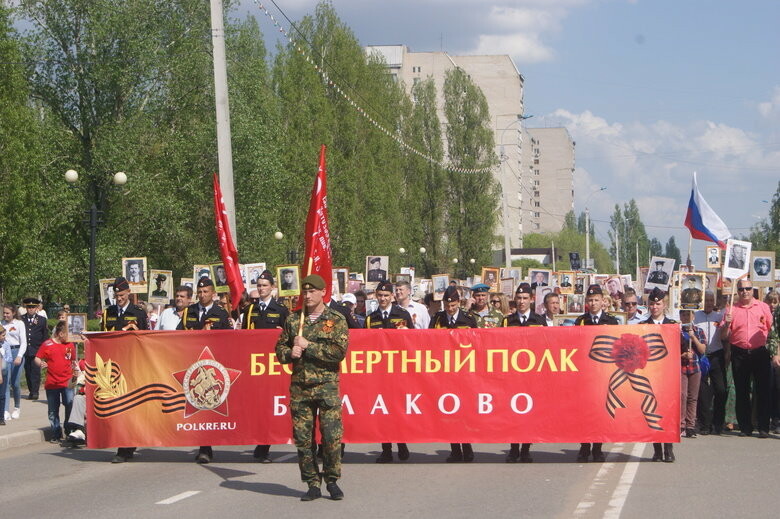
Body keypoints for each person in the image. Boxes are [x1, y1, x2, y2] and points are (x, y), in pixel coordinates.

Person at [276, 275, 348, 501]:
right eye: (304, 292)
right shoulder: (293, 320)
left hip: (326, 388)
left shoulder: (336, 319)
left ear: (322, 293)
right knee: (303, 440)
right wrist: (290, 353)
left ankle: (332, 480)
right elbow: (279, 350)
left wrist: (309, 346)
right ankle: (312, 483)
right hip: (300, 389)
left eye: (311, 292)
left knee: (331, 437)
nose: (307, 296)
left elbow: (338, 352)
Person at [179, 277, 231, 463]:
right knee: (198, 407)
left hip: (214, 368)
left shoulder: (221, 314)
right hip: (192, 366)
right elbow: (176, 337)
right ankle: (203, 446)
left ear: (213, 293)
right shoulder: (188, 312)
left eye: (206, 292)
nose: (202, 295)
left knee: (208, 407)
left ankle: (206, 447)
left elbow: (230, 342)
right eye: (199, 292)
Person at [242, 270, 289, 463]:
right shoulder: (250, 310)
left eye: (264, 286)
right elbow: (243, 335)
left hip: (273, 365)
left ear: (272, 288)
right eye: (259, 285)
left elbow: (289, 336)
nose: (261, 289)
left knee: (269, 406)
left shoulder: (281, 310)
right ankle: (259, 441)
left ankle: (265, 445)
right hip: (254, 365)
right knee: (257, 405)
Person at [101, 277, 148, 462]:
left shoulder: (138, 313)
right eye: (116, 295)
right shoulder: (109, 312)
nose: (119, 298)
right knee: (117, 408)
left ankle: (125, 448)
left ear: (128, 293)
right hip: (113, 367)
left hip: (133, 366)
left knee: (129, 408)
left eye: (121, 295)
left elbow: (147, 339)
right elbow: (102, 338)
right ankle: (124, 445)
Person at [366, 281, 413, 463]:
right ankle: (386, 449)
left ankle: (402, 444)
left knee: (398, 409)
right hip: (379, 372)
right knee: (382, 411)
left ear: (392, 296)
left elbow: (412, 341)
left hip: (398, 371)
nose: (383, 299)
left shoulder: (402, 314)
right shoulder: (371, 318)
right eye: (380, 296)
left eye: (386, 296)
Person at [720, 278, 773, 437]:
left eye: (748, 288)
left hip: (760, 352)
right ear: (738, 291)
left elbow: (772, 330)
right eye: (742, 289)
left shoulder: (763, 307)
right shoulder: (731, 310)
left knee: (763, 390)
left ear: (753, 290)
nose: (745, 292)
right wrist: (726, 324)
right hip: (740, 353)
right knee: (741, 391)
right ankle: (745, 427)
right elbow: (724, 336)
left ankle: (763, 427)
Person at [430, 286, 477, 462]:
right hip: (444, 372)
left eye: (454, 305)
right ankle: (455, 449)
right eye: (447, 305)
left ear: (459, 303)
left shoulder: (468, 319)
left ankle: (467, 446)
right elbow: (429, 341)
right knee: (449, 413)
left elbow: (478, 343)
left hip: (464, 373)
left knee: (464, 412)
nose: (450, 309)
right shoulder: (437, 319)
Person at [502, 283, 546, 463]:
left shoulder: (539, 321)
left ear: (532, 300)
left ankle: (526, 448)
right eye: (519, 298)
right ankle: (513, 449)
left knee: (529, 413)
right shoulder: (507, 321)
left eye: (525, 298)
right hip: (512, 375)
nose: (521, 302)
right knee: (512, 413)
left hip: (532, 375)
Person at [575, 284, 619, 462]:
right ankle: (584, 447)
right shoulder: (580, 321)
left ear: (603, 301)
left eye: (596, 300)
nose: (593, 303)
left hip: (604, 373)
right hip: (585, 374)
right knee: (585, 412)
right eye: (590, 300)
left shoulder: (612, 321)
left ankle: (598, 447)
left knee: (601, 412)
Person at [642, 287, 677, 462]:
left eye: (658, 303)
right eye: (652, 304)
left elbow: (680, 349)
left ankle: (668, 449)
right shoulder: (643, 326)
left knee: (668, 411)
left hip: (668, 375)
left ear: (664, 305)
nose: (655, 307)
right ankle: (656, 449)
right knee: (652, 411)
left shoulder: (672, 325)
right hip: (650, 375)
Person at [34, 321, 77, 443]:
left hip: (67, 382)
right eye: (67, 334)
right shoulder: (47, 344)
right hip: (52, 383)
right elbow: (37, 357)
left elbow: (73, 361)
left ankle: (69, 431)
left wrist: (75, 373)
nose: (69, 336)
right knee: (53, 409)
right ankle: (56, 433)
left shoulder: (70, 345)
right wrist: (41, 363)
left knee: (69, 404)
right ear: (60, 333)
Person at [694, 291, 727, 435]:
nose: (708, 303)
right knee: (703, 392)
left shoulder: (718, 316)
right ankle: (705, 424)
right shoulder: (695, 316)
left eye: (710, 300)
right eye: (706, 300)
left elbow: (726, 337)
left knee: (720, 390)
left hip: (716, 355)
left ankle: (718, 422)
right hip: (701, 356)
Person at [679, 310, 706, 438]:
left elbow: (702, 350)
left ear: (693, 316)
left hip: (695, 367)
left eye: (688, 315)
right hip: (682, 367)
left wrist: (693, 337)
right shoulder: (677, 331)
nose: (686, 317)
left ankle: (690, 425)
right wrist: (683, 354)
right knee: (682, 395)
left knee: (693, 397)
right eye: (683, 315)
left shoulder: (699, 331)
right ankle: (681, 424)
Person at [2, 304, 27, 421]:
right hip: (5, 353)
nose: (5, 315)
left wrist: (19, 356)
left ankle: (17, 407)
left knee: (15, 383)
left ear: (13, 313)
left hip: (16, 352)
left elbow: (24, 342)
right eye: (4, 313)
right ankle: (5, 409)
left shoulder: (19, 324)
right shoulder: (2, 324)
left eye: (7, 313)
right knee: (5, 382)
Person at [21, 297, 48, 401]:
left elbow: (44, 336)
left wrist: (44, 352)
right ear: (26, 308)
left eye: (33, 307)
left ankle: (35, 392)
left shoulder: (41, 320)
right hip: (26, 350)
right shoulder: (21, 319)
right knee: (27, 371)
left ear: (37, 308)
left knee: (35, 371)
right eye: (29, 307)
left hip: (37, 350)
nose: (31, 309)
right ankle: (31, 391)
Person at [0, 324, 9, 425]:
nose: (4, 337)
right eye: (2, 335)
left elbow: (7, 358)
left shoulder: (5, 344)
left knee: (2, 396)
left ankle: (1, 417)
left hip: (3, 371)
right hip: (1, 373)